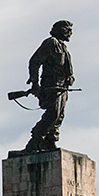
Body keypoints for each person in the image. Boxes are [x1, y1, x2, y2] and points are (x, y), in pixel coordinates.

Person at [22, 20, 74, 153]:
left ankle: (50, 141)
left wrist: (70, 77)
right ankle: (35, 141)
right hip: (52, 85)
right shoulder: (51, 43)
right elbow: (35, 61)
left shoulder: (63, 47)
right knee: (53, 113)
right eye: (67, 30)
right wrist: (34, 82)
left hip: (63, 86)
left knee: (59, 115)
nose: (70, 33)